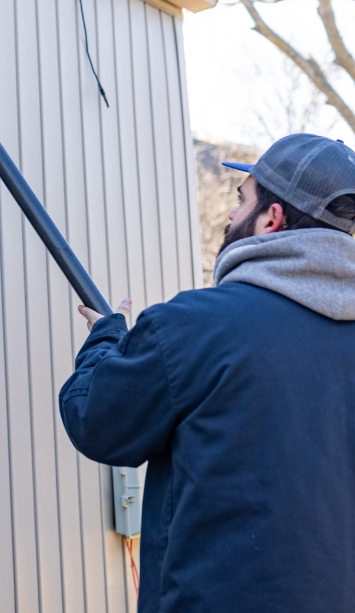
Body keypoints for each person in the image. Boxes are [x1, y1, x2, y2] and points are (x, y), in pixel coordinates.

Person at [59, 133, 355, 613]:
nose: (231, 216)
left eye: (242, 201)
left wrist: (105, 341)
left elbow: (98, 421)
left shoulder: (194, 325)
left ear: (270, 220)